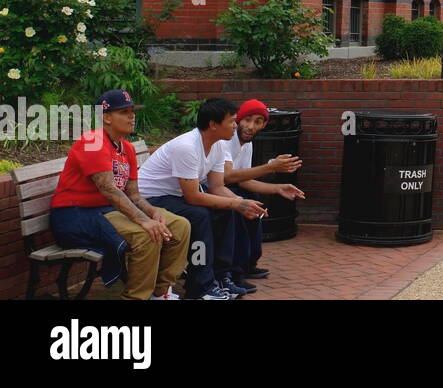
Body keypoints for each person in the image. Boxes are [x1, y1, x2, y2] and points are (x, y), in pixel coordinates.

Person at [49, 90, 192, 300]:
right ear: (106, 117)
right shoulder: (92, 141)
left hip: (106, 210)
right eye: (124, 112)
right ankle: (136, 297)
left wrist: (152, 213)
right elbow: (107, 188)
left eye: (132, 111)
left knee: (180, 226)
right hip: (75, 215)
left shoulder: (127, 148)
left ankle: (159, 293)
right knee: (146, 236)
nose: (131, 116)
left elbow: (133, 194)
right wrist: (144, 221)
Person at [137, 97, 268, 300]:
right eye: (231, 121)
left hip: (174, 196)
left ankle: (221, 276)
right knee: (199, 216)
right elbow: (193, 197)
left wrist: (242, 203)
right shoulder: (187, 146)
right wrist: (237, 202)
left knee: (227, 210)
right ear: (213, 125)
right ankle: (200, 287)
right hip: (150, 198)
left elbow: (217, 187)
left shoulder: (217, 145)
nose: (235, 125)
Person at [221, 100, 305, 288]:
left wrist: (278, 188)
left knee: (256, 201)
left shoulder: (247, 144)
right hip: (210, 188)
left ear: (264, 125)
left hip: (226, 186)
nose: (251, 126)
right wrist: (270, 167)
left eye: (258, 121)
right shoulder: (226, 138)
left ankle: (248, 264)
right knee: (241, 207)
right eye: (247, 120)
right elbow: (227, 176)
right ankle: (234, 273)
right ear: (238, 119)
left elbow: (243, 180)